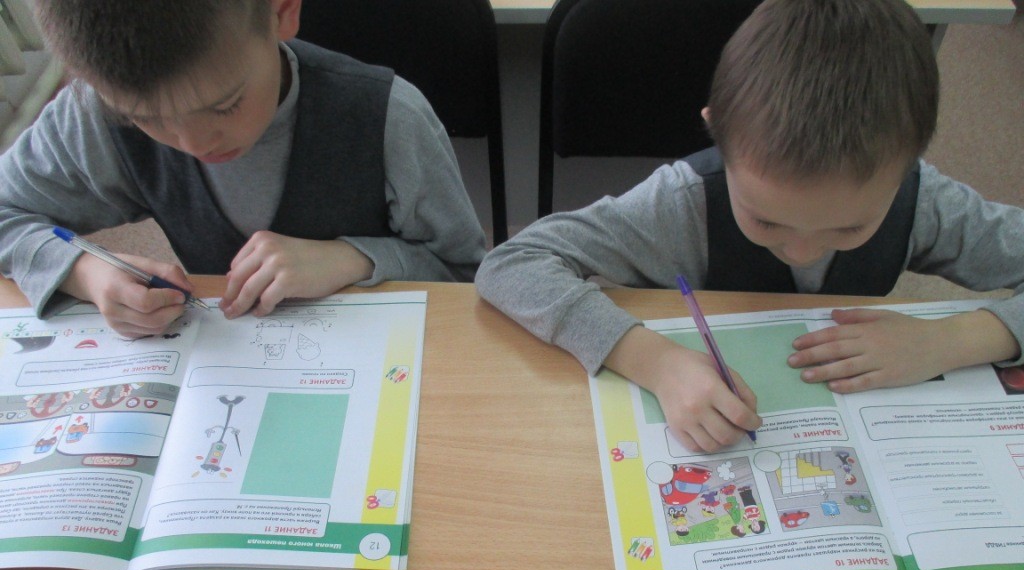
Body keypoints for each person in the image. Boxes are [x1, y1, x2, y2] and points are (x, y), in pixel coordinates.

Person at [476, 0, 1024, 454]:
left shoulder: (924, 202)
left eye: (848, 228)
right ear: (717, 132)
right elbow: (512, 264)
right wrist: (653, 360)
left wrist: (951, 340)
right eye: (766, 219)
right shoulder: (684, 206)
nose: (802, 251)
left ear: (909, 165)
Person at [0, 0, 485, 338]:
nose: (193, 144)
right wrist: (81, 270)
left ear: (281, 11)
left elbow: (464, 272)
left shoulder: (390, 118)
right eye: (146, 118)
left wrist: (355, 259)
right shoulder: (96, 115)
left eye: (225, 105)